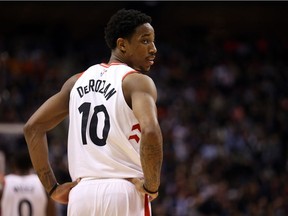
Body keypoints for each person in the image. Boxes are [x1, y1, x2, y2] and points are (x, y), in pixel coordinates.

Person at [23, 8, 163, 215]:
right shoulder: (137, 82)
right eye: (145, 41)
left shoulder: (76, 81)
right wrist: (152, 185)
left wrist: (52, 188)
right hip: (124, 190)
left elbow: (32, 127)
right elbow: (150, 131)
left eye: (153, 41)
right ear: (122, 44)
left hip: (81, 194)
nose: (153, 49)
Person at [0, 149, 56, 216]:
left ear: (13, 164)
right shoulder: (42, 183)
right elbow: (52, 211)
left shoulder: (4, 183)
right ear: (32, 164)